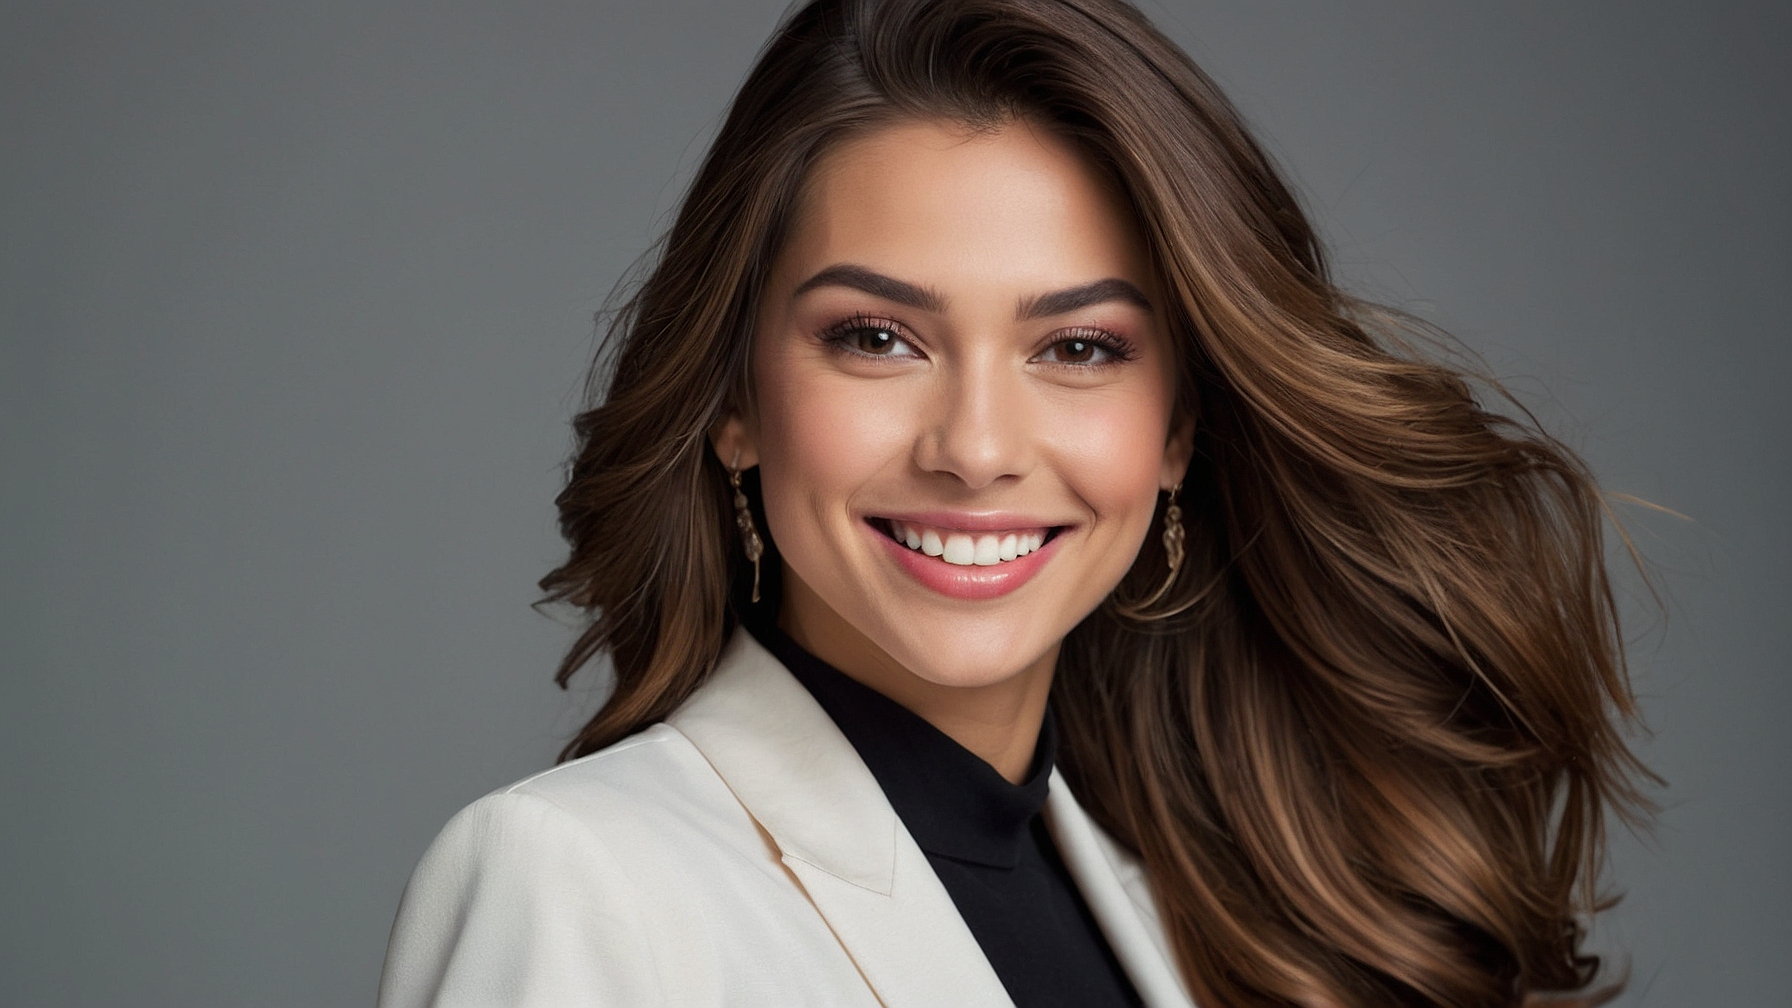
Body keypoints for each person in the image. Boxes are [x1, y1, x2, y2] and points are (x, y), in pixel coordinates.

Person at [378, 1, 1652, 1005]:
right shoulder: (580, 884)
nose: (976, 448)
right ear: (736, 400)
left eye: (1079, 348)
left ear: (1178, 433)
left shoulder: (1181, 912)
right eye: (877, 337)